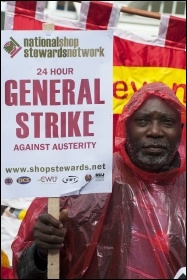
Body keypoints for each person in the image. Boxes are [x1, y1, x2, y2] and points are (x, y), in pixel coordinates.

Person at [11, 82, 186, 279]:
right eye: (143, 120)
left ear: (181, 129)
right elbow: (24, 272)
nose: (155, 131)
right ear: (126, 126)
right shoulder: (83, 182)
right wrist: (42, 253)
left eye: (167, 122)